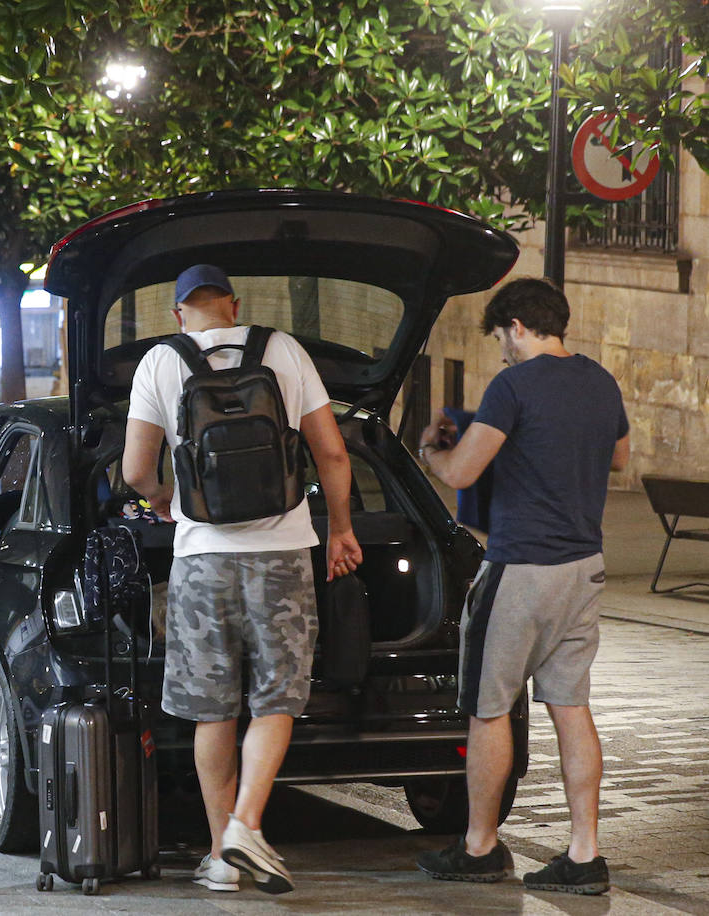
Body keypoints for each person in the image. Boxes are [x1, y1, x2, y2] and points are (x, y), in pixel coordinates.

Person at [122, 264, 362, 895]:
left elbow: (135, 470)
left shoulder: (159, 363)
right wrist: (340, 528)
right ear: (233, 305)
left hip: (201, 558)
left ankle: (223, 855)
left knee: (212, 711)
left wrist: (167, 500)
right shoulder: (281, 349)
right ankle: (248, 824)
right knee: (277, 698)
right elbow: (332, 452)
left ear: (179, 313)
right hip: (283, 551)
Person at [415, 277, 629, 895]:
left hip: (520, 571)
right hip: (583, 569)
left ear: (515, 328)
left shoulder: (512, 386)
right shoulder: (599, 380)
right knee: (571, 707)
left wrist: (433, 449)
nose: (503, 351)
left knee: (489, 710)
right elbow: (617, 458)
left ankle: (480, 846)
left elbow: (461, 470)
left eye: (502, 339)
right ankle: (584, 854)